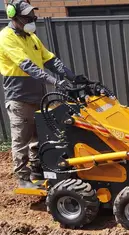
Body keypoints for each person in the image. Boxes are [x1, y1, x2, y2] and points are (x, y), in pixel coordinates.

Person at [0, 0, 80, 188]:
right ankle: (23, 178)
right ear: (14, 16)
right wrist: (54, 82)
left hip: (38, 96)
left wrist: (71, 75)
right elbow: (28, 66)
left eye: (32, 16)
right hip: (19, 97)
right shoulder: (6, 38)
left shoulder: (31, 37)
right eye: (28, 17)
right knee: (22, 138)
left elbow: (49, 59)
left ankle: (38, 170)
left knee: (40, 136)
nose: (32, 19)